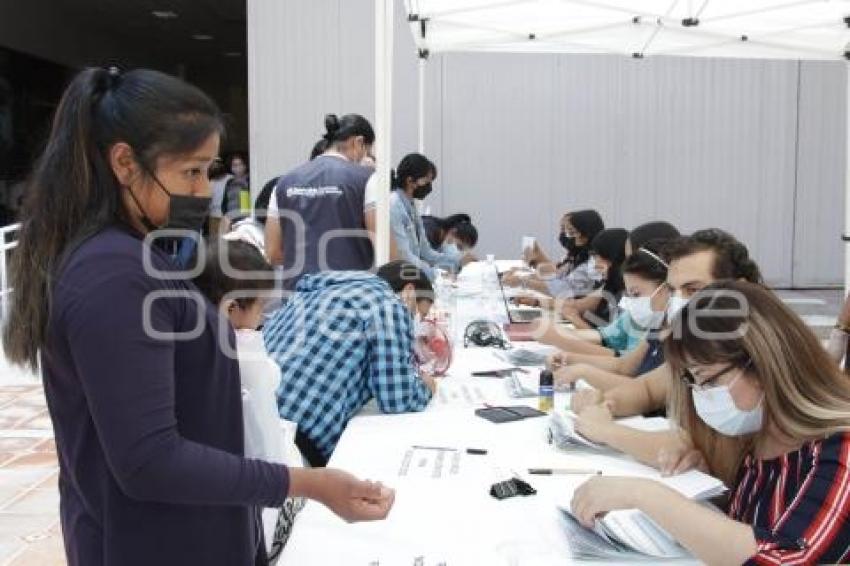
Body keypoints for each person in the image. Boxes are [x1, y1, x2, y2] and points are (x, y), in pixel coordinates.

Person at [1, 67, 393, 566]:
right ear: (124, 163)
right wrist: (307, 484)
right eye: (191, 172)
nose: (205, 190)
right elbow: (149, 461)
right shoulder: (111, 275)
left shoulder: (132, 255)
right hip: (153, 543)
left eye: (208, 171)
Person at [571, 281, 850, 565]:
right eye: (694, 383)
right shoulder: (757, 436)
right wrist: (709, 488)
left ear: (764, 363)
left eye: (711, 381)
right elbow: (755, 523)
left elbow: (787, 557)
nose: (702, 396)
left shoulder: (840, 448)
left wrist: (645, 494)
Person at [569, 229, 763, 470]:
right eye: (673, 290)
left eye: (692, 290)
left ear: (739, 290)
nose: (678, 302)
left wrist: (605, 430)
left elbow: (700, 449)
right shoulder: (691, 342)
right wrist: (606, 403)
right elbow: (649, 388)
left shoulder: (756, 353)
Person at [264, 260, 436, 467]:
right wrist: (427, 385)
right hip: (295, 441)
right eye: (419, 314)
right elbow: (398, 399)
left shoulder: (317, 292)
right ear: (409, 291)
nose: (415, 321)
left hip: (256, 415)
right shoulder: (389, 304)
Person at [532, 221, 680, 357]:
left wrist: (563, 339)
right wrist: (560, 334)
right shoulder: (637, 308)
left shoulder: (671, 325)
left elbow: (626, 365)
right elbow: (604, 337)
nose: (627, 264)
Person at [265, 113, 376, 290]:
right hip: (350, 300)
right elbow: (383, 246)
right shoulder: (367, 179)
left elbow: (273, 253)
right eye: (368, 152)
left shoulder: (283, 183)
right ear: (359, 143)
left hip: (297, 300)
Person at [550, 247, 670, 391]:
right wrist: (568, 359)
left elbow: (649, 392)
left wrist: (584, 371)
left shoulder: (679, 331)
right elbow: (624, 366)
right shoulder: (657, 327)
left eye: (636, 294)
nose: (631, 302)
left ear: (666, 289)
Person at [375, 153, 474, 280]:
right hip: (400, 276)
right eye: (426, 181)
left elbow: (425, 251)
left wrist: (457, 260)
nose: (428, 185)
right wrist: (436, 274)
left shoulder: (411, 205)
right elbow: (404, 255)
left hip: (413, 273)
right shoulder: (393, 205)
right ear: (410, 181)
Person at [504, 209, 604, 299]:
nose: (567, 236)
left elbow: (563, 289)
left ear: (587, 232)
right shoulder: (579, 255)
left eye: (571, 231)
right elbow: (557, 275)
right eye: (563, 230)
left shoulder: (594, 262)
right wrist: (525, 275)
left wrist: (523, 281)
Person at [560, 227, 628, 329]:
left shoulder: (627, 294)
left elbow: (609, 341)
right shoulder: (610, 285)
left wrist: (575, 318)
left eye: (599, 256)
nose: (596, 265)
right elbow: (577, 306)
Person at [207, 158, 232, 235]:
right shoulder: (210, 182)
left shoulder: (231, 179)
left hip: (227, 215)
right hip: (213, 216)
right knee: (214, 240)